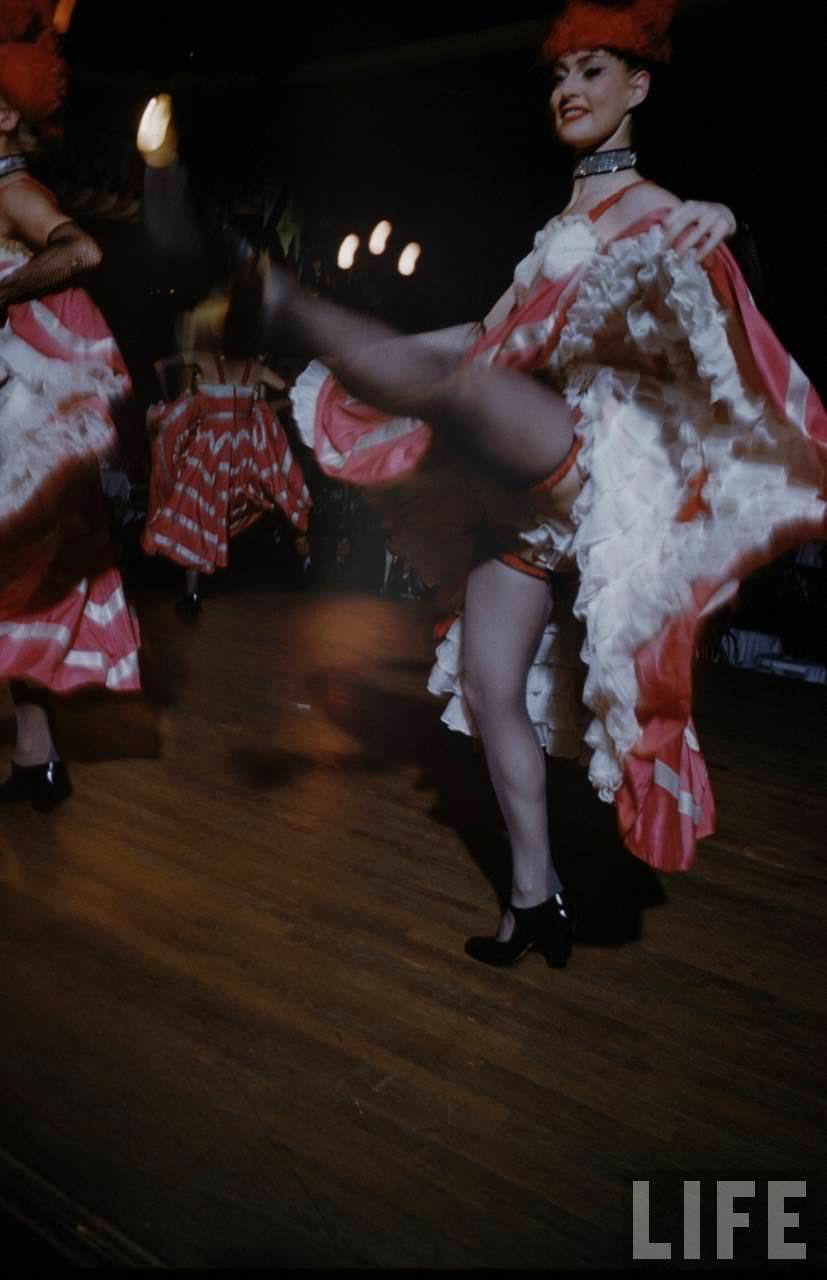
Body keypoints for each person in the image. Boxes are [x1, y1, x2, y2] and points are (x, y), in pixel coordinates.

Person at [258, 0, 827, 968]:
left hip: (582, 464)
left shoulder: (647, 204)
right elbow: (479, 339)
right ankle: (533, 897)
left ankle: (288, 303)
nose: (567, 91)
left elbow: (716, 254)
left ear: (637, 87)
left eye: (592, 73)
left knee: (465, 385)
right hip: (514, 496)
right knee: (487, 687)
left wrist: (726, 213)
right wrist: (374, 368)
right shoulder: (558, 220)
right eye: (558, 77)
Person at [0, 3, 142, 812]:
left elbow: (83, 248)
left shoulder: (14, 187)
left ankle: (37, 757)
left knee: (19, 577)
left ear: (7, 110)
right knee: (16, 581)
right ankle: (36, 757)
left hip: (17, 409)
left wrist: (5, 286)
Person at [141, 272, 312, 614]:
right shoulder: (255, 369)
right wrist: (261, 409)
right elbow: (292, 393)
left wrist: (175, 401)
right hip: (243, 454)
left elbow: (159, 365)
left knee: (198, 514)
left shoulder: (206, 361)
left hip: (208, 451)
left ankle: (191, 593)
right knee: (275, 489)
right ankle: (301, 543)